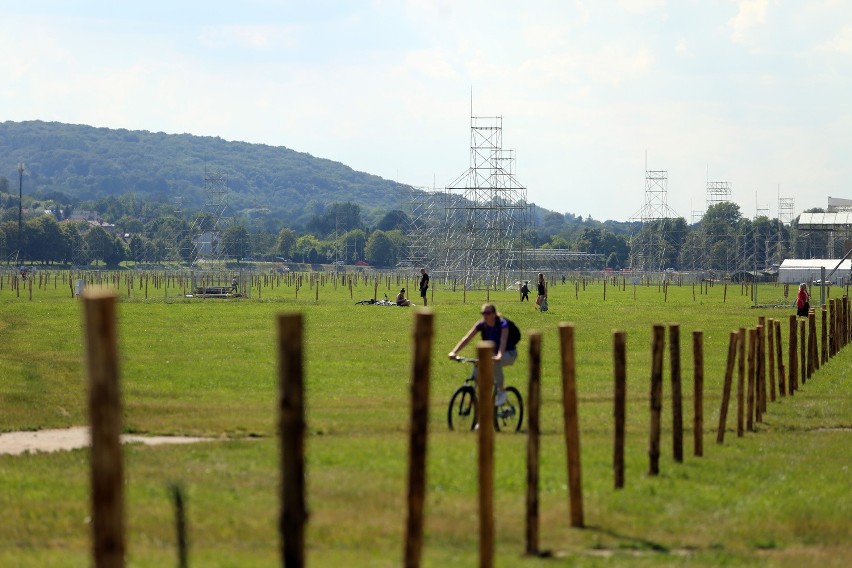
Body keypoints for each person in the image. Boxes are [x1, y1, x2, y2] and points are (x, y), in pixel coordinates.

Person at [448, 303, 518, 406]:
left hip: (509, 354)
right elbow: (467, 339)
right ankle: (481, 408)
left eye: (488, 313)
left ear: (494, 314)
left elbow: (503, 341)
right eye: (483, 313)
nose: (485, 315)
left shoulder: (502, 324)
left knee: (494, 363)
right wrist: (454, 352)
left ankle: (502, 391)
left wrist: (499, 355)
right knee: (478, 367)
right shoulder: (481, 324)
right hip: (490, 355)